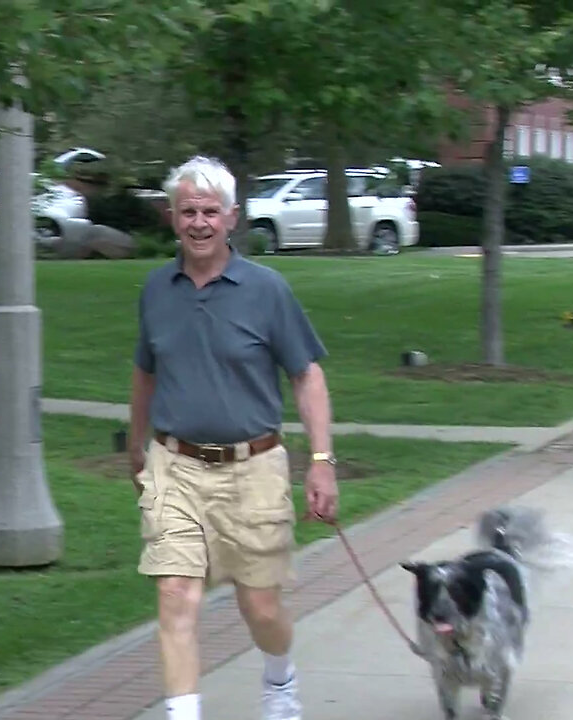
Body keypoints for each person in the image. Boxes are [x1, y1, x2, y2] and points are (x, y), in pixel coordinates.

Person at [129, 155, 338, 720]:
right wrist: (135, 448)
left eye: (210, 212)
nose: (199, 223)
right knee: (175, 594)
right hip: (175, 463)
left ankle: (279, 678)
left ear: (232, 219)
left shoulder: (266, 290)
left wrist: (321, 461)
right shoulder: (156, 290)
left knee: (261, 605)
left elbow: (307, 375)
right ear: (171, 218)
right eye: (188, 211)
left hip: (254, 467)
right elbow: (146, 373)